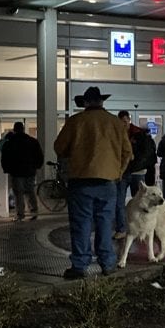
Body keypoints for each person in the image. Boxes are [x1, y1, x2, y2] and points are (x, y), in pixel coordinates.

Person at [53, 86, 132, 280]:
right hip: (108, 182)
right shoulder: (116, 123)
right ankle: (108, 263)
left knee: (81, 224)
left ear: (86, 103)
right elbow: (127, 152)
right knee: (105, 223)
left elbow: (59, 147)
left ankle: (80, 265)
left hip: (81, 182)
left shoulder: (76, 121)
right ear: (102, 102)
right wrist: (118, 172)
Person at [116, 110, 153, 238]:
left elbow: (145, 154)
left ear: (129, 120)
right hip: (123, 172)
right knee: (119, 202)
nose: (123, 125)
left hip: (137, 171)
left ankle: (142, 228)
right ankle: (122, 229)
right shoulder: (117, 134)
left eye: (125, 122)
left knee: (140, 201)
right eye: (121, 122)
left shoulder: (139, 134)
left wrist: (134, 163)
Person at [0, 120, 43, 221]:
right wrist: (37, 166)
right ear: (23, 129)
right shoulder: (32, 141)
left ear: (14, 130)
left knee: (18, 193)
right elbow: (39, 155)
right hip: (30, 170)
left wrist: (6, 169)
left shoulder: (10, 142)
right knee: (30, 191)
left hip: (16, 171)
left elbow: (5, 157)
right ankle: (34, 212)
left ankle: (20, 214)